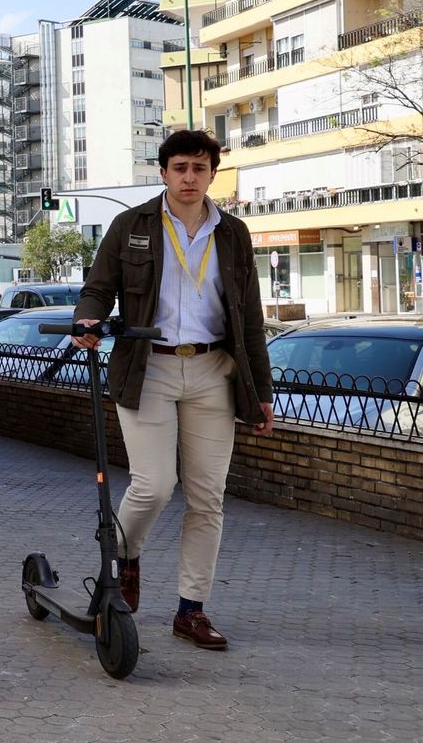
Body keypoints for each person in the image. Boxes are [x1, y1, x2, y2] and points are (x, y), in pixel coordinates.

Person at [71, 129, 273, 651]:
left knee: (208, 497)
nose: (189, 178)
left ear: (212, 174)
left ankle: (191, 610)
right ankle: (125, 554)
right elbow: (98, 288)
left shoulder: (233, 233)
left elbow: (249, 317)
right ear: (163, 172)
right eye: (180, 167)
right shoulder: (131, 224)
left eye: (199, 168)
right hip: (149, 367)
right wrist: (89, 320)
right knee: (154, 485)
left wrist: (261, 391)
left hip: (213, 371)